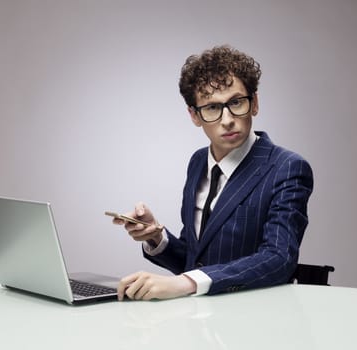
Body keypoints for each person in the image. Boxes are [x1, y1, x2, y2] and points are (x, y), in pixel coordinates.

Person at [112, 45, 313, 301]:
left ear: (255, 103)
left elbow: (278, 259)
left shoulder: (287, 167)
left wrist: (184, 283)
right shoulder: (198, 162)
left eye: (236, 102)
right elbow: (196, 260)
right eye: (211, 108)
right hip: (201, 323)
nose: (227, 119)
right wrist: (156, 236)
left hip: (256, 324)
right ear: (194, 116)